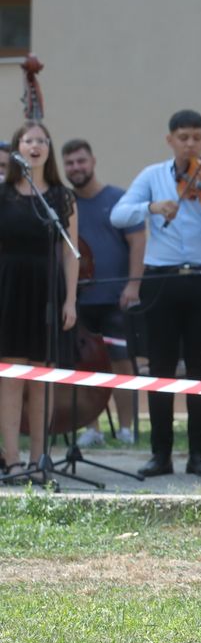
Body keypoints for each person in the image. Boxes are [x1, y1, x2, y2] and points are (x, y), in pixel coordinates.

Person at [110, 109, 201, 478]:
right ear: (171, 140)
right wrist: (151, 206)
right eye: (183, 137)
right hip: (161, 278)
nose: (191, 144)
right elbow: (119, 215)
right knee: (161, 366)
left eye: (197, 137)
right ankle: (160, 453)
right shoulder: (152, 176)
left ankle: (199, 454)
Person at [0, 122, 78, 472]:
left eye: (42, 140)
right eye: (28, 140)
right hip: (8, 286)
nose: (36, 145)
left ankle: (38, 459)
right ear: (18, 148)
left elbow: (69, 253)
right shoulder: (2, 194)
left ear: (49, 149)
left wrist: (70, 300)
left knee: (42, 378)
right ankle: (13, 459)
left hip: (47, 288)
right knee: (11, 377)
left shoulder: (62, 197)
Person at [62, 138, 145, 447]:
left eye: (81, 161)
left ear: (93, 161)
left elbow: (138, 241)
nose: (76, 168)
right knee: (82, 365)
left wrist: (133, 284)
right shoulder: (65, 203)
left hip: (116, 298)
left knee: (121, 363)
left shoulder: (118, 199)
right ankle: (91, 429)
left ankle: (126, 428)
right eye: (69, 163)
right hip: (79, 299)